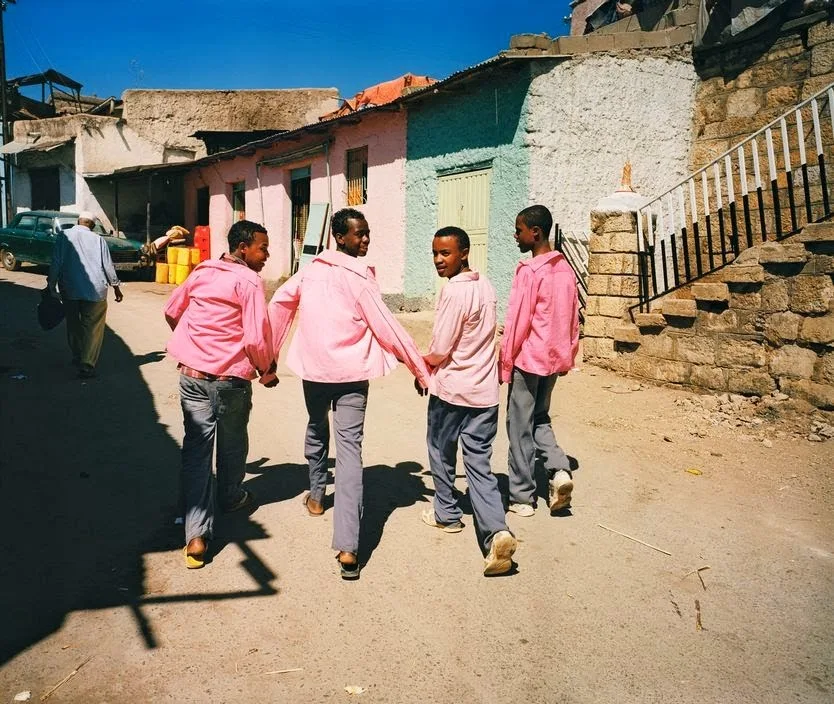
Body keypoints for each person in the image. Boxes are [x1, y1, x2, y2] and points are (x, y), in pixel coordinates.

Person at [269, 208, 430, 580]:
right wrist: (417, 367)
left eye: (368, 233)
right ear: (339, 238)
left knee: (316, 426)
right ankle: (348, 546)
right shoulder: (358, 280)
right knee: (350, 451)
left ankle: (315, 496)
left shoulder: (308, 272)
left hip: (315, 370)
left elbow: (280, 303)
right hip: (353, 374)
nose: (366, 240)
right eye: (359, 235)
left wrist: (269, 358)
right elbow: (387, 326)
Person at [164, 220, 277, 569]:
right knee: (232, 443)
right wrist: (266, 370)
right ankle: (229, 497)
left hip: (192, 376)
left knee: (197, 451)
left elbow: (172, 311)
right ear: (243, 248)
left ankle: (196, 535)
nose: (267, 255)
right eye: (262, 248)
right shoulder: (248, 281)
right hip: (230, 380)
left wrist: (194, 344)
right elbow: (257, 337)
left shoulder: (201, 272)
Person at [419, 226, 517, 576]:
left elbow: (441, 347)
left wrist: (423, 365)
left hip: (452, 391)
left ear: (463, 253)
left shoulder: (453, 292)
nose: (438, 260)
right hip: (484, 392)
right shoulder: (486, 286)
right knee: (479, 464)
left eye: (445, 253)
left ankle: (447, 515)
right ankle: (497, 532)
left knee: (441, 451)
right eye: (434, 253)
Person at [500, 205, 579, 517]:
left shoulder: (530, 272)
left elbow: (518, 321)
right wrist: (568, 354)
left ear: (535, 233)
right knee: (540, 417)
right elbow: (574, 318)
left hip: (528, 359)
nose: (515, 235)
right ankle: (559, 470)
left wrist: (506, 361)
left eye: (519, 230)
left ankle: (521, 496)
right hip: (555, 358)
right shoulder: (565, 270)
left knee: (519, 425)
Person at [47, 211, 123, 379]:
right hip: (95, 291)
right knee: (93, 328)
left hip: (70, 289)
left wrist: (50, 285)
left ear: (78, 221)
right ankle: (87, 363)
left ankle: (77, 355)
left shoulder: (63, 236)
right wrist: (116, 287)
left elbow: (56, 262)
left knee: (73, 324)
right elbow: (108, 266)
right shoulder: (98, 240)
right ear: (93, 225)